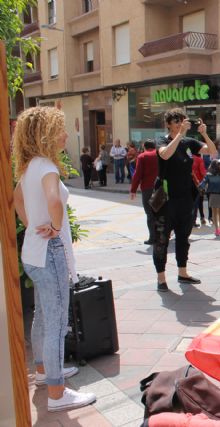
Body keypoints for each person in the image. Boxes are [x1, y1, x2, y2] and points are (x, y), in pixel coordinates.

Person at [12, 106, 97, 412]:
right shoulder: (46, 166)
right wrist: (56, 226)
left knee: (43, 315)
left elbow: (18, 199)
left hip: (33, 253)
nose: (65, 134)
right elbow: (52, 200)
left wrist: (35, 223)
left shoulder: (30, 166)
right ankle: (58, 393)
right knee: (56, 321)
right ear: (46, 133)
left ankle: (45, 373)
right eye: (60, 129)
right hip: (49, 253)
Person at [154, 109, 218, 292]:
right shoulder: (162, 140)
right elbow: (165, 154)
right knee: (161, 239)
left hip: (185, 198)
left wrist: (205, 133)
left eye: (181, 120)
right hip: (164, 199)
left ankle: (183, 272)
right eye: (175, 121)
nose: (179, 123)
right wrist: (179, 135)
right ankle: (161, 278)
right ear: (168, 124)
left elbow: (212, 152)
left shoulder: (189, 142)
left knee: (183, 237)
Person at [130, 139, 159, 245]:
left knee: (150, 214)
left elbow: (138, 174)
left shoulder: (142, 156)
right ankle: (164, 234)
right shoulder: (161, 154)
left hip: (148, 188)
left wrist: (133, 190)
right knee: (161, 212)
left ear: (145, 147)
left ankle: (153, 238)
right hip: (161, 187)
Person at [203, 159, 220, 237]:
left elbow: (203, 183)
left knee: (214, 213)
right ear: (219, 166)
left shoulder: (208, 175)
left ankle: (217, 229)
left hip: (212, 195)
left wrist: (199, 187)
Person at [191, 151, 207, 228]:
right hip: (198, 185)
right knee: (199, 202)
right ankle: (201, 218)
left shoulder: (188, 158)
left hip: (188, 184)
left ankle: (191, 220)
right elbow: (203, 172)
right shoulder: (199, 159)